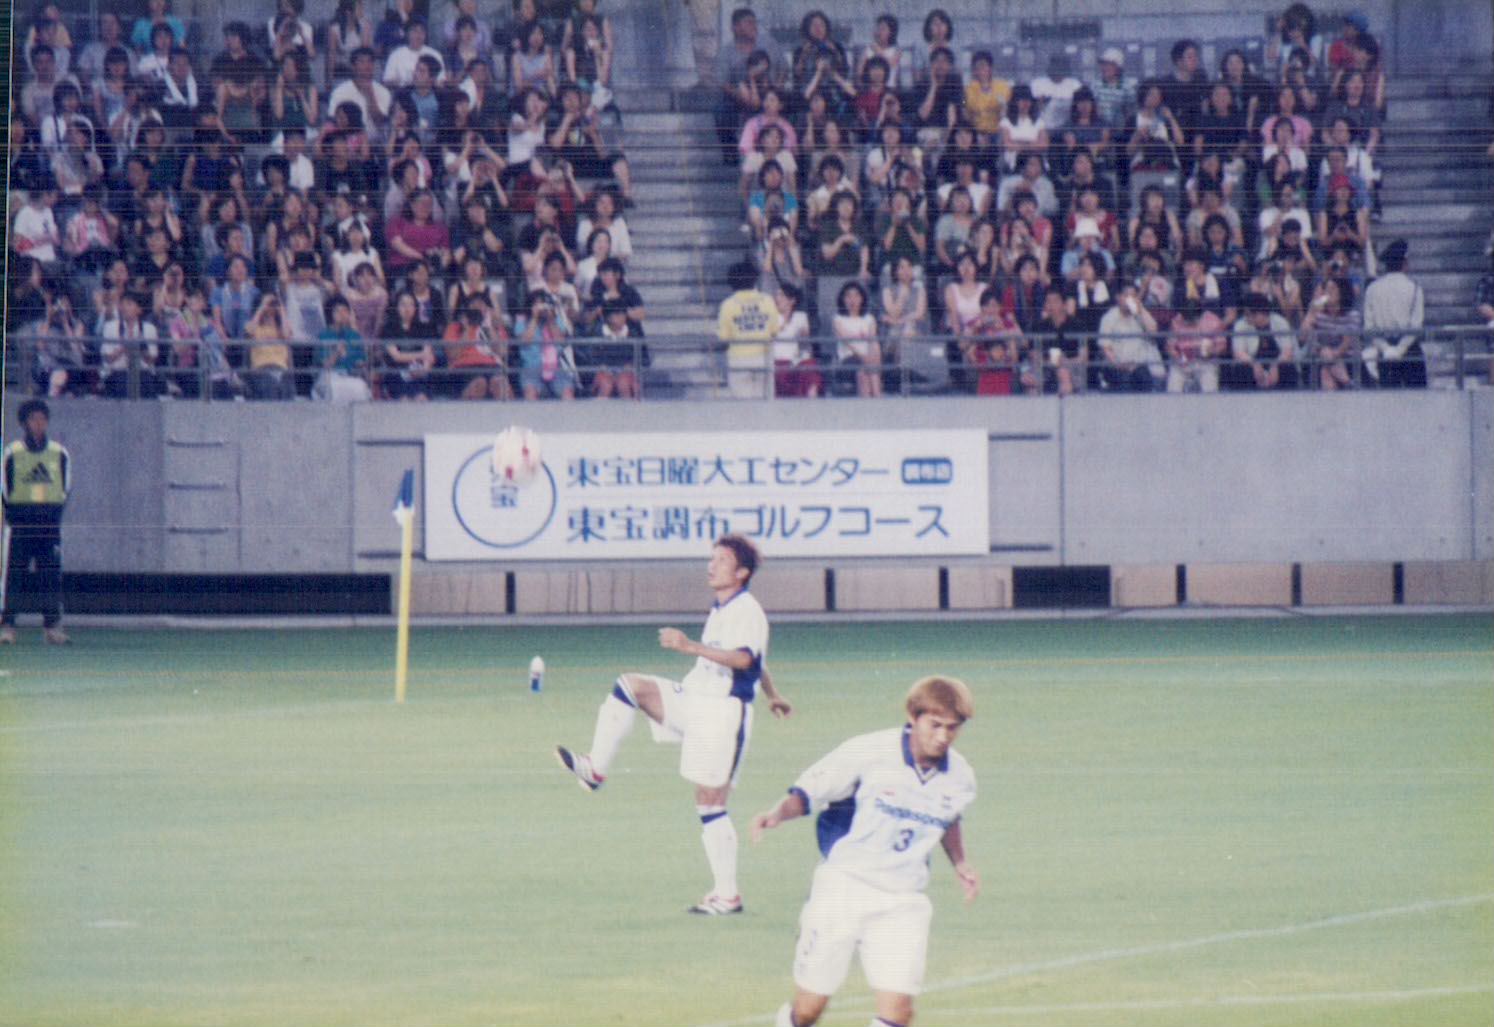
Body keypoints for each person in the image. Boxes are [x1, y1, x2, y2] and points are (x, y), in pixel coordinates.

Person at [555, 535, 792, 914]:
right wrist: (773, 694)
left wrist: (689, 646)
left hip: (723, 713)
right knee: (630, 686)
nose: (711, 565)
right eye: (712, 558)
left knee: (710, 803)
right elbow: (753, 659)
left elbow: (745, 659)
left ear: (742, 572)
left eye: (722, 560)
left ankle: (727, 895)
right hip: (696, 699)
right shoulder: (722, 608)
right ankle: (595, 769)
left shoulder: (747, 609)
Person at [749, 675, 978, 1027]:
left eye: (952, 728)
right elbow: (809, 792)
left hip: (903, 899)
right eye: (935, 725)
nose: (943, 736)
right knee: (808, 1009)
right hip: (843, 888)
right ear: (913, 716)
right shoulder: (869, 752)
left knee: (898, 1011)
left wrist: (960, 863)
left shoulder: (961, 777)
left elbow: (948, 817)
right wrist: (776, 814)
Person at [1, 400, 72, 645]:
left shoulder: (59, 452)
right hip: (20, 525)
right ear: (24, 423)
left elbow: (66, 487)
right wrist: (14, 514)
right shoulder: (13, 452)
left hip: (49, 526)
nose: (38, 423)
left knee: (50, 576)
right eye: (33, 419)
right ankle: (8, 626)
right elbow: (4, 486)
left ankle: (52, 628)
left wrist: (52, 513)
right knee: (13, 575)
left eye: (42, 419)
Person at [1362, 239, 1426, 388]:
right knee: (1418, 397)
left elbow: (1369, 328)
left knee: (1389, 397)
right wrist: (1401, 349)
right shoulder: (1414, 288)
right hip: (1410, 350)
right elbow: (1416, 326)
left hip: (1384, 351)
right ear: (1404, 263)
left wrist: (1386, 349)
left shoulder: (1372, 289)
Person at [717, 260, 780, 399]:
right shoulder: (767, 300)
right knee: (765, 403)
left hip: (739, 360)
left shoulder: (728, 305)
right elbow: (775, 331)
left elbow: (723, 337)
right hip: (764, 358)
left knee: (742, 406)